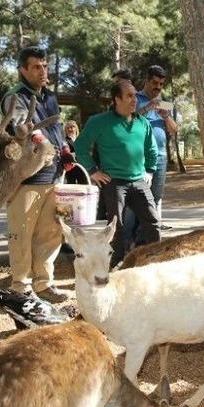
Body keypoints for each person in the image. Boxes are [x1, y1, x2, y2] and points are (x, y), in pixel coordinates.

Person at [1, 47, 71, 300]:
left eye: (44, 65)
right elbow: (23, 126)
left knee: (50, 233)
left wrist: (64, 149)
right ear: (23, 70)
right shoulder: (14, 96)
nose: (43, 71)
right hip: (27, 176)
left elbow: (57, 128)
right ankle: (20, 286)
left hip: (54, 174)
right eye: (36, 67)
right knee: (21, 233)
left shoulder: (50, 97)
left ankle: (44, 283)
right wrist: (43, 143)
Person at [75, 80, 160, 268]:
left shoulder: (142, 122)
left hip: (139, 181)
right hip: (114, 183)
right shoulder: (99, 122)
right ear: (116, 99)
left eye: (135, 95)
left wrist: (150, 171)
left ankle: (156, 259)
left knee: (153, 222)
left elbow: (151, 149)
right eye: (129, 96)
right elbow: (80, 146)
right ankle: (115, 263)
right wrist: (92, 171)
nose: (134, 99)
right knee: (118, 227)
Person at [135, 65, 178, 229]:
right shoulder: (136, 98)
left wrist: (166, 116)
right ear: (146, 80)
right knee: (139, 197)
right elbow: (128, 121)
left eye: (161, 84)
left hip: (161, 156)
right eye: (155, 83)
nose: (158, 87)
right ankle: (139, 233)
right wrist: (148, 107)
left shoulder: (164, 103)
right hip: (140, 156)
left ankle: (152, 229)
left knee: (156, 196)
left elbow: (174, 130)